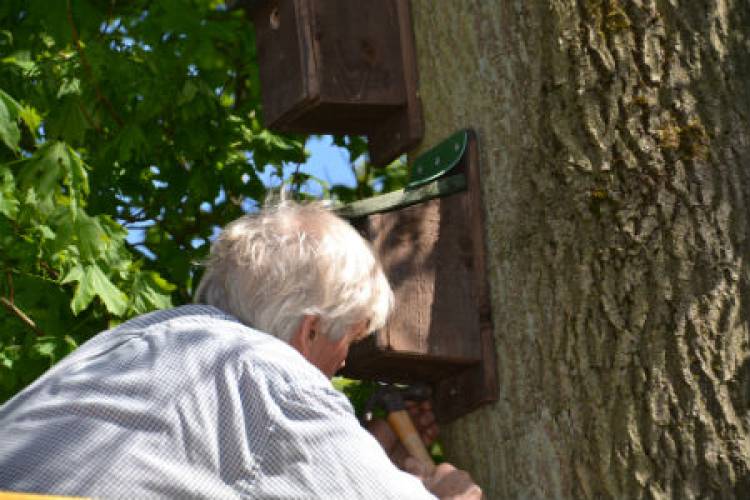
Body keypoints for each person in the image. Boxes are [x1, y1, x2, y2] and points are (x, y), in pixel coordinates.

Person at [0, 202, 481, 499]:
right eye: (348, 341)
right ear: (310, 331)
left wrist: (366, 460)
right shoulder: (271, 375)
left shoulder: (150, 342)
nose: (342, 364)